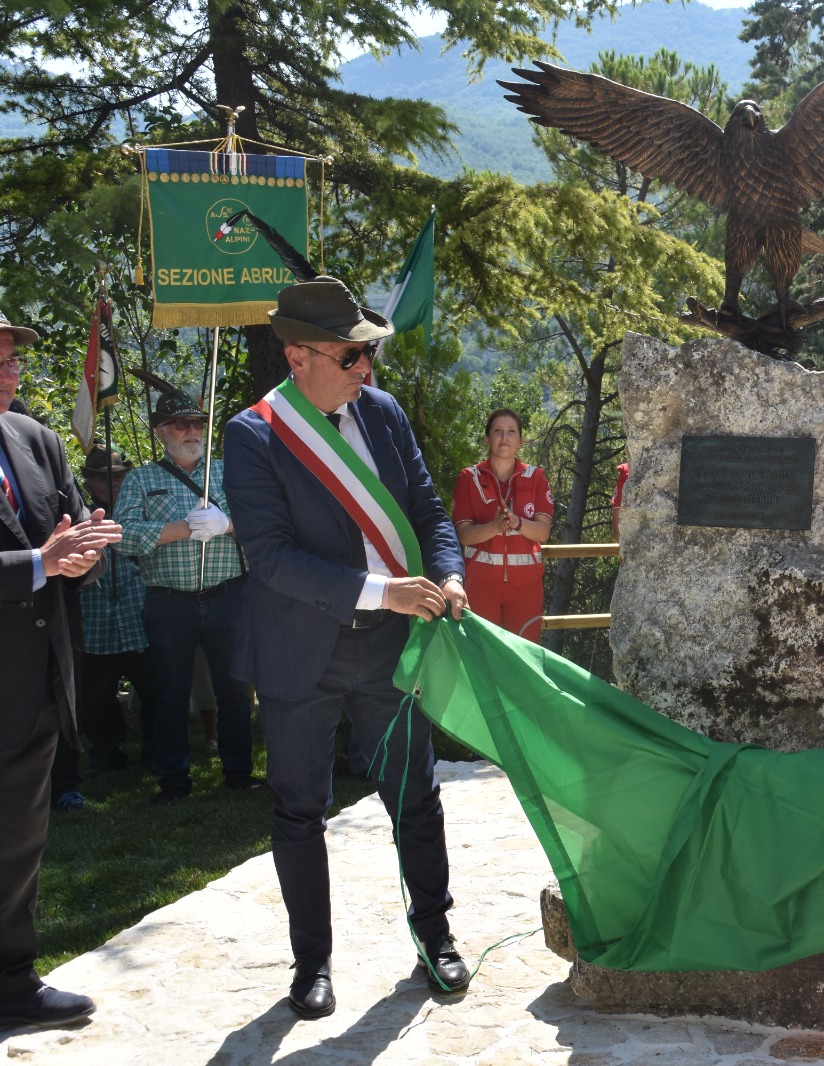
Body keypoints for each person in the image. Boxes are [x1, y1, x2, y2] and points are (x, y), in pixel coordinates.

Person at [224, 275, 472, 1019]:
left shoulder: (384, 413)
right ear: (297, 357)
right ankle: (312, 963)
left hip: (389, 651)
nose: (366, 370)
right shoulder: (255, 434)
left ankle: (436, 935)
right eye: (350, 356)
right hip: (304, 653)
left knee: (416, 799)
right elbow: (269, 557)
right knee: (300, 812)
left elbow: (428, 511)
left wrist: (449, 575)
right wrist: (381, 590)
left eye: (367, 355)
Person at [0, 310, 122, 1027]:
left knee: (18, 838)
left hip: (33, 683)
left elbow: (72, 529)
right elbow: (37, 557)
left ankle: (13, 983)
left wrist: (83, 552)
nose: (12, 369)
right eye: (1, 357)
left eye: (15, 355)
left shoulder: (36, 439)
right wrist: (37, 565)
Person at [113, 390, 257, 804]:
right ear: (161, 431)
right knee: (171, 693)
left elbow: (262, 528)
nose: (192, 431)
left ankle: (239, 772)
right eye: (181, 424)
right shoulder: (141, 479)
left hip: (227, 596)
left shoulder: (229, 474)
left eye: (198, 423)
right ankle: (174, 781)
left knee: (234, 689)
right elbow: (122, 537)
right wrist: (176, 529)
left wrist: (227, 524)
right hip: (169, 603)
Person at [67, 445, 154, 777]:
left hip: (140, 616)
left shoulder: (140, 509)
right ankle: (106, 751)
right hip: (97, 622)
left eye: (118, 477)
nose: (113, 484)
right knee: (97, 695)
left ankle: (155, 750)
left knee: (154, 690)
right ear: (89, 485)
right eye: (104, 479)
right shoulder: (80, 515)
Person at [452, 409, 552, 641]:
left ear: (521, 441)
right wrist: (494, 527)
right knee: (481, 657)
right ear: (487, 439)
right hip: (480, 586)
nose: (504, 437)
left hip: (526, 588)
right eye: (498, 431)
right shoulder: (469, 477)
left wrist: (518, 523)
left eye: (511, 432)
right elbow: (464, 536)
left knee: (523, 659)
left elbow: (543, 532)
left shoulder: (536, 478)